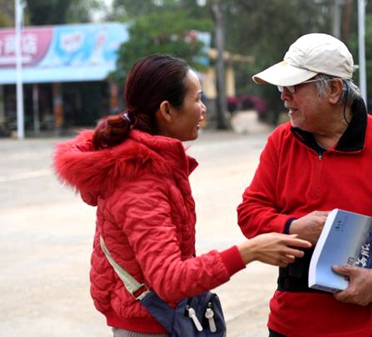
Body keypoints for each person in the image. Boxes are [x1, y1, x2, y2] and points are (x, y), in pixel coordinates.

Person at [53, 54, 311, 337]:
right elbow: (169, 278)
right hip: (149, 327)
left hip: (160, 319)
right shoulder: (139, 180)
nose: (203, 110)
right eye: (197, 99)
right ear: (166, 110)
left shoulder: (154, 165)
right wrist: (249, 251)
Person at [237, 33, 372, 337]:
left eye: (293, 87)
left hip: (368, 328)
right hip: (288, 324)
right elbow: (249, 213)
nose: (283, 95)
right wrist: (293, 227)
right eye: (282, 87)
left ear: (334, 89)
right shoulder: (280, 142)